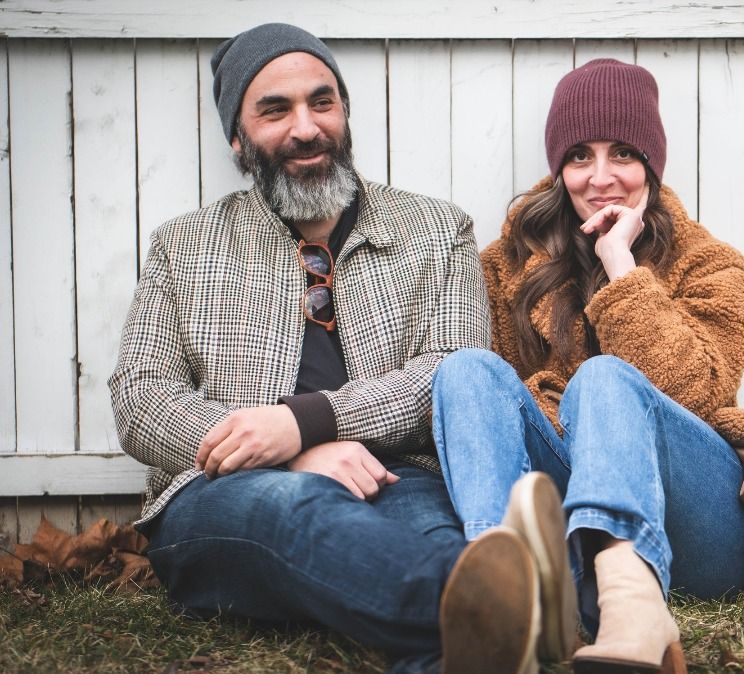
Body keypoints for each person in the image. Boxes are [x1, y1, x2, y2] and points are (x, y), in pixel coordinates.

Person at [109, 22, 547, 674]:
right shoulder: (186, 245)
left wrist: (307, 420)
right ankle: (537, 612)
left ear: (343, 112)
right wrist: (287, 450)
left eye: (322, 101)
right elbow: (140, 396)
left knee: (441, 545)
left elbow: (447, 371)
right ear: (236, 135)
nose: (306, 127)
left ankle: (477, 639)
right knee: (295, 508)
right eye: (274, 110)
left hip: (398, 479)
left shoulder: (435, 228)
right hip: (230, 495)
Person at [432, 58, 744, 673]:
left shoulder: (713, 266)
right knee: (465, 371)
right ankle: (505, 590)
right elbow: (503, 425)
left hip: (698, 523)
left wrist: (621, 267)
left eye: (623, 154)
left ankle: (634, 600)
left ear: (652, 166)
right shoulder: (506, 267)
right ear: (559, 168)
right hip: (573, 506)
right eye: (580, 156)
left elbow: (693, 392)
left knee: (605, 378)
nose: (601, 176)